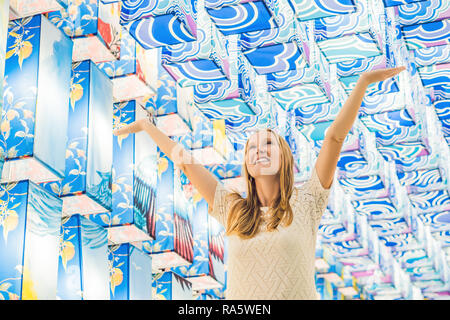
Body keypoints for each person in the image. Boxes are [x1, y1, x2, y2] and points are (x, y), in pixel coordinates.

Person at [113, 66, 406, 300]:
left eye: (268, 143)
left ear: (285, 158)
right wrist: (146, 126)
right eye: (251, 148)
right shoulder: (233, 210)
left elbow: (333, 137)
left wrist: (364, 83)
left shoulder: (307, 202)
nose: (259, 150)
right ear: (247, 166)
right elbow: (186, 162)